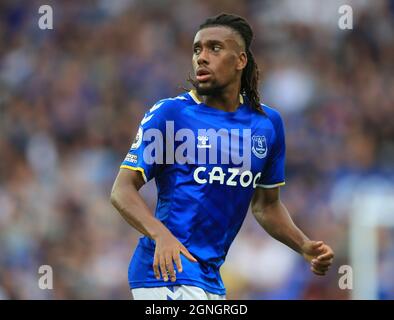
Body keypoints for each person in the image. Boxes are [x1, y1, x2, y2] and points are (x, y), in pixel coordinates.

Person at [110, 13, 334, 300]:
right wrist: (160, 235)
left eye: (214, 48)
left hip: (210, 280)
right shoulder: (172, 114)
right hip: (165, 274)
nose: (202, 57)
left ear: (241, 60)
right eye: (197, 49)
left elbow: (266, 206)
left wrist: (303, 245)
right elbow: (122, 189)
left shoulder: (266, 125)